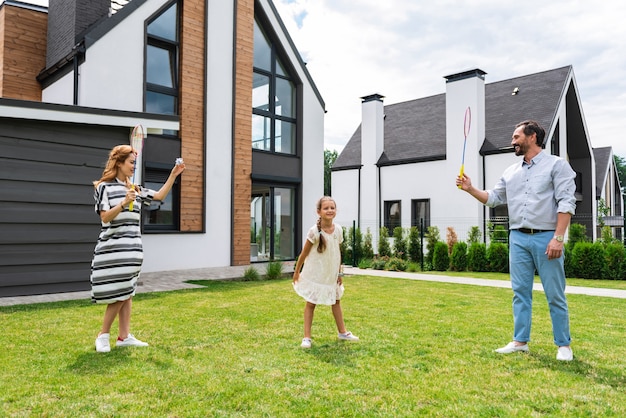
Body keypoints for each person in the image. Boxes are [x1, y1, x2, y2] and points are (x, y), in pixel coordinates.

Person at [456, 120, 576, 361]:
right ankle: (520, 341)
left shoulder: (556, 165)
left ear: (532, 137)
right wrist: (470, 188)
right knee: (520, 292)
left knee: (555, 293)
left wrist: (558, 238)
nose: (512, 142)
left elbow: (566, 202)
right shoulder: (511, 172)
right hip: (518, 238)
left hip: (546, 237)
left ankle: (564, 345)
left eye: (516, 137)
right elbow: (493, 198)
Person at [90, 145, 185, 353]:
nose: (134, 166)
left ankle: (123, 336)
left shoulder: (136, 190)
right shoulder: (103, 188)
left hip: (133, 249)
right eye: (131, 162)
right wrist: (124, 203)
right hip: (112, 249)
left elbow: (159, 196)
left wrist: (173, 175)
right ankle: (103, 334)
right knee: (121, 291)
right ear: (119, 163)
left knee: (128, 290)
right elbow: (105, 217)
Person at [292, 196, 359, 348]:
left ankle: (343, 332)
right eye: (326, 208)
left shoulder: (338, 230)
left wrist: (339, 273)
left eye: (332, 208)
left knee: (336, 301)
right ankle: (307, 338)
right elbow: (304, 253)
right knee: (311, 303)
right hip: (316, 274)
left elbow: (337, 253)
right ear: (319, 212)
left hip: (331, 274)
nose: (330, 210)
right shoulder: (314, 231)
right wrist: (297, 271)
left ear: (336, 211)